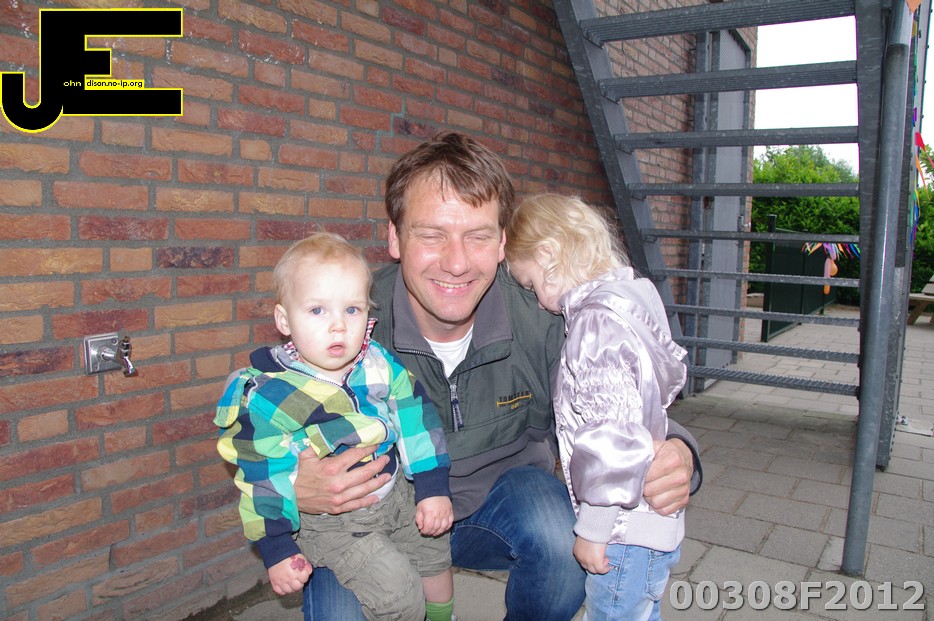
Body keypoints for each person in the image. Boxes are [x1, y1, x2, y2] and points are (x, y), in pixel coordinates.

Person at [289, 132, 702, 621]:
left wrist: (679, 451)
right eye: (432, 235)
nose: (457, 263)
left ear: (503, 241)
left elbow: (618, 396)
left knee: (561, 540)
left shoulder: (545, 312)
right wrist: (291, 484)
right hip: (380, 519)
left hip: (499, 505)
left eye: (478, 236)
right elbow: (263, 420)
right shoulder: (347, 320)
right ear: (395, 238)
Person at [215, 232, 456, 621]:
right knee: (399, 593)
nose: (338, 326)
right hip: (336, 523)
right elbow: (261, 473)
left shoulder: (377, 361)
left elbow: (415, 415)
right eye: (317, 311)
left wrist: (431, 486)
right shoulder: (268, 395)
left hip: (397, 494)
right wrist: (277, 546)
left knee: (435, 555)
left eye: (352, 310)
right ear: (284, 320)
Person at [505, 193, 686, 620]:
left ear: (548, 254)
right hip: (652, 524)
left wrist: (593, 529)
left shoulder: (594, 327)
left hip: (623, 530)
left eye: (531, 284)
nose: (538, 301)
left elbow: (611, 438)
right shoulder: (631, 300)